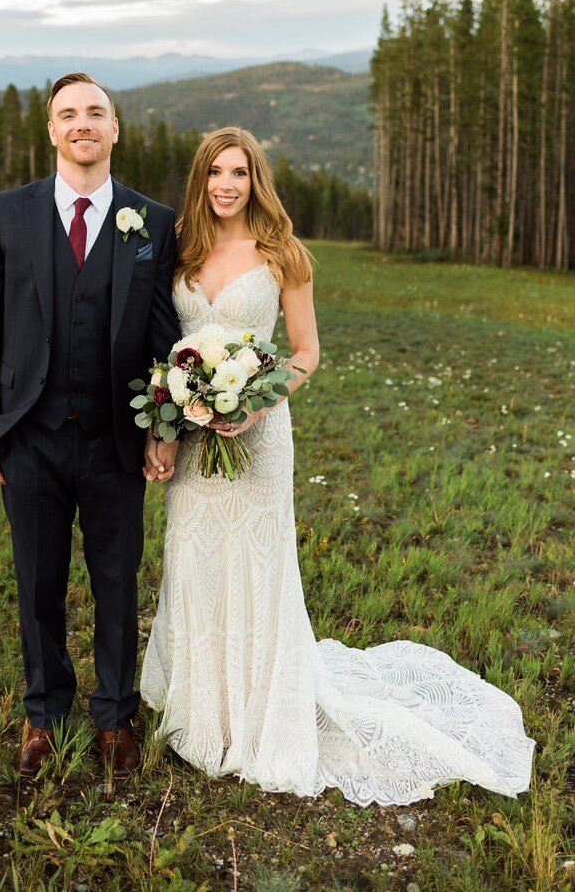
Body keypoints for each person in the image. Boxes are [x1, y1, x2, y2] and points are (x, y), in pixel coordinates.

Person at [140, 127, 534, 804]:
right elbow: (166, 342)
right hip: (196, 440)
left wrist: (255, 403)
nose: (225, 184)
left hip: (258, 437)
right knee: (197, 559)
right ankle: (205, 713)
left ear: (256, 178)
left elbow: (305, 351)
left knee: (257, 564)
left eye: (238, 172)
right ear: (201, 181)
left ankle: (262, 716)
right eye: (213, 173)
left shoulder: (284, 256)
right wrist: (175, 415)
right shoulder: (182, 247)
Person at [0, 72, 180, 779]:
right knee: (38, 582)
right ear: (51, 131)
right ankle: (43, 712)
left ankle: (115, 716)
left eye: (96, 112)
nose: (82, 123)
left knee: (117, 580)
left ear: (115, 129)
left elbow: (162, 330)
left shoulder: (152, 220)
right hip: (30, 434)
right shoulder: (5, 213)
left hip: (119, 435)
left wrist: (163, 425)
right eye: (68, 114)